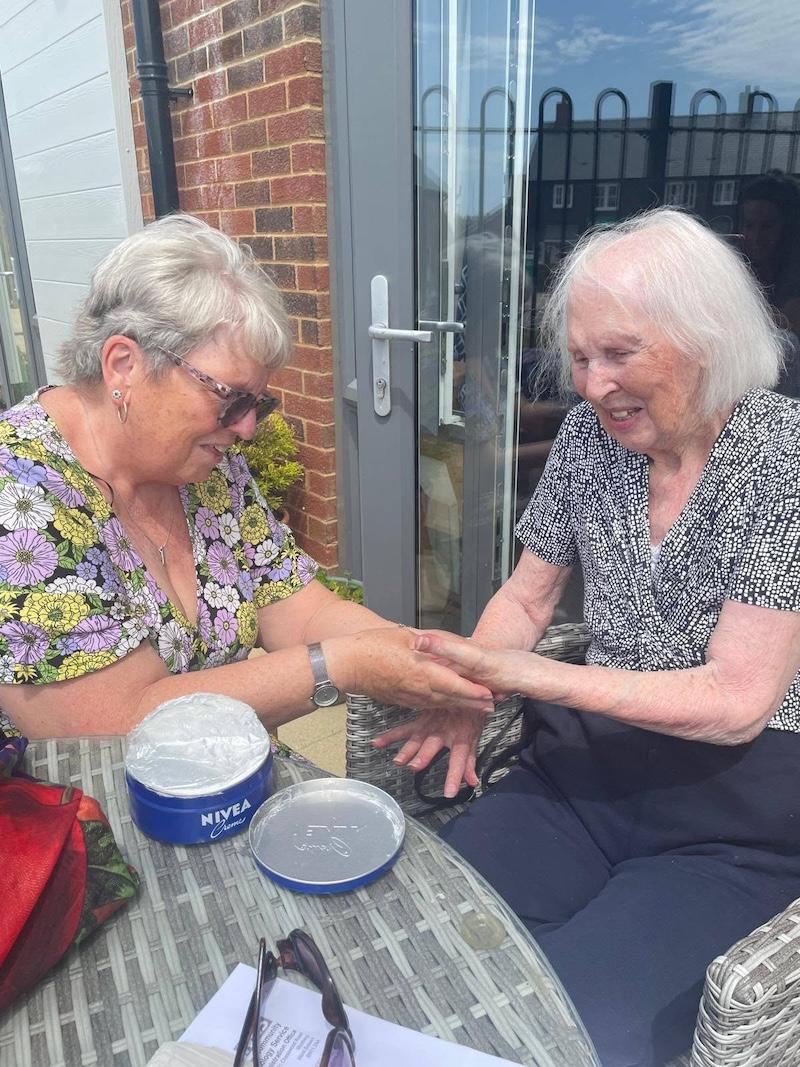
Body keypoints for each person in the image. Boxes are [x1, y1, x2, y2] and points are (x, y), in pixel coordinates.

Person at [377, 208, 800, 1066]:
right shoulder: (589, 442)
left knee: (570, 1036)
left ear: (706, 337)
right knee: (423, 947)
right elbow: (528, 601)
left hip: (727, 816)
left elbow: (736, 702)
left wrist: (523, 677)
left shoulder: (783, 460)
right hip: (578, 776)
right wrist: (472, 691)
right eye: (579, 358)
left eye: (620, 353)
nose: (592, 384)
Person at [0, 214, 494, 741]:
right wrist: (339, 667)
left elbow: (299, 611)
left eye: (258, 402)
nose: (248, 428)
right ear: (124, 365)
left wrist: (426, 658)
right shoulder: (20, 498)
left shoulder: (202, 467)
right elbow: (114, 726)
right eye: (231, 397)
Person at [738, 171, 800, 395]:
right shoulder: (739, 264)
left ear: (788, 228)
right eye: (749, 225)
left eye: (767, 227)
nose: (755, 237)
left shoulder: (794, 272)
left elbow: (788, 324)